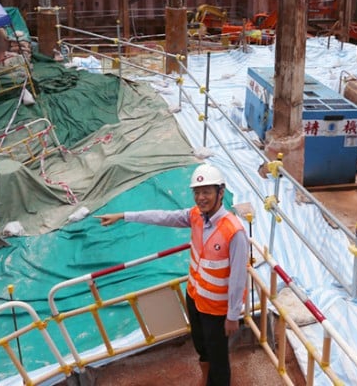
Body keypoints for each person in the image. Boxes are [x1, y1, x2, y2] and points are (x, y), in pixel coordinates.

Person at [98, 164, 249, 386]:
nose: (200, 198)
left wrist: (233, 316)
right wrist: (123, 215)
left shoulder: (234, 231)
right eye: (197, 192)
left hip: (217, 310)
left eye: (206, 191)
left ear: (221, 192)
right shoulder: (196, 216)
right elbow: (163, 217)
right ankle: (206, 379)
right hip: (195, 298)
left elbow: (238, 278)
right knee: (202, 348)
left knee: (219, 360)